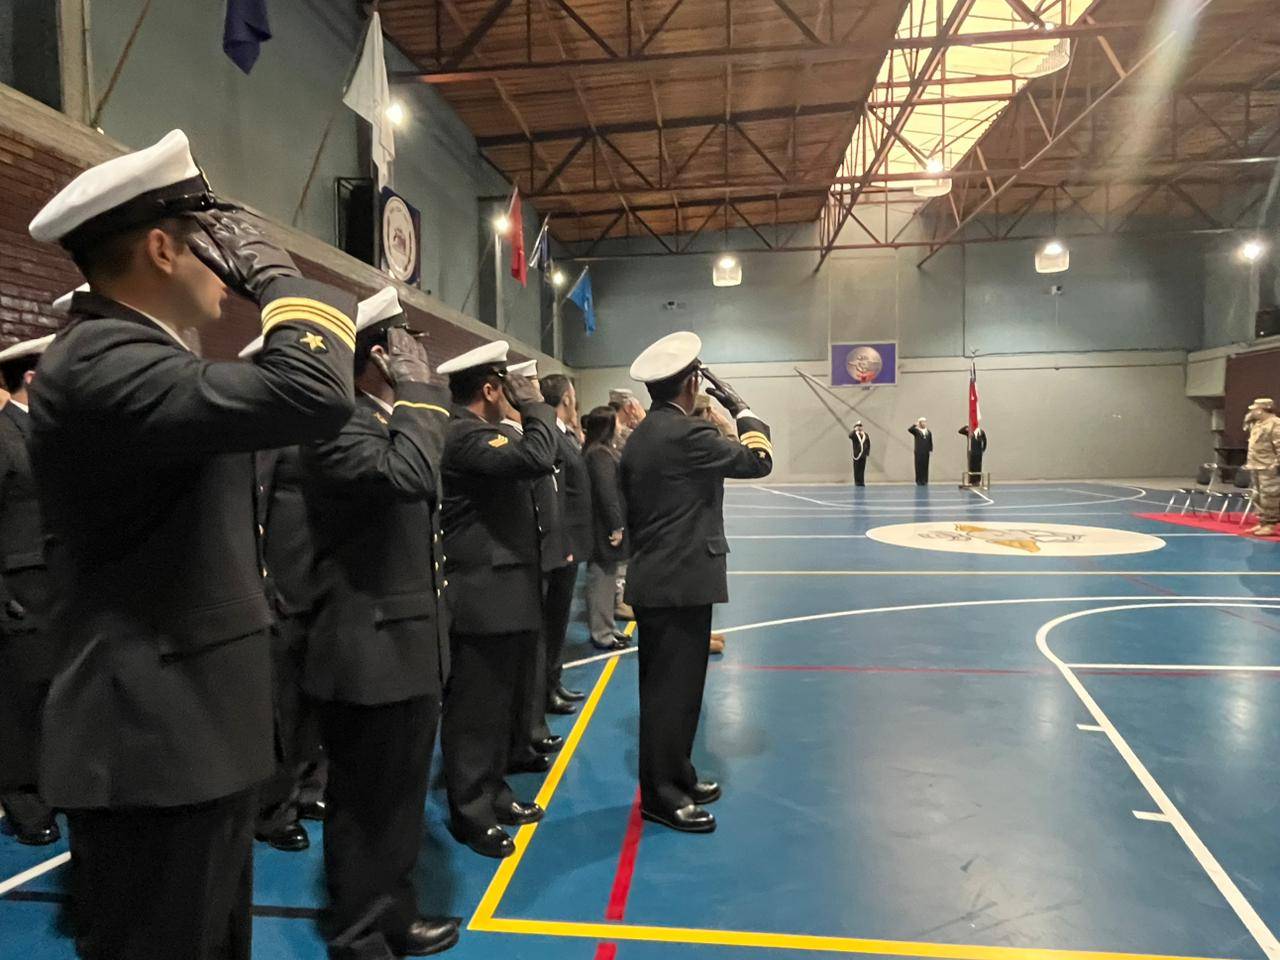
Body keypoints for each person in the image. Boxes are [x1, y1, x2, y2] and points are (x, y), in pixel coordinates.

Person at [27, 129, 357, 960]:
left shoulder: (142, 354)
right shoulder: (99, 361)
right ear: (163, 248)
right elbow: (314, 392)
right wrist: (280, 278)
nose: (229, 269)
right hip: (149, 745)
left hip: (192, 734)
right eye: (215, 245)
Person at [294, 286, 458, 957]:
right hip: (368, 650)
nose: (421, 354)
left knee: (398, 799)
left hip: (405, 644)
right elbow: (410, 473)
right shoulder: (337, 423)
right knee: (365, 804)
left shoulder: (389, 421)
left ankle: (393, 911)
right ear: (380, 355)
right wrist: (419, 393)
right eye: (407, 342)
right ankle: (359, 932)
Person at [621, 332, 773, 833]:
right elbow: (759, 461)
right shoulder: (686, 435)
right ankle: (661, 796)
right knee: (671, 695)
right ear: (692, 383)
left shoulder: (647, 433)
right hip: (677, 580)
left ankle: (677, 774)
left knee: (677, 692)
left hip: (665, 576)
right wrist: (742, 409)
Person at [438, 342, 557, 859]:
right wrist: (536, 406)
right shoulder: (464, 435)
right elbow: (539, 456)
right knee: (474, 710)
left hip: (505, 592)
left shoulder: (485, 434)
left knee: (500, 707)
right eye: (508, 386)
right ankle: (470, 811)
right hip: (481, 594)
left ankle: (495, 792)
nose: (516, 394)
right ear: (491, 389)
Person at [0, 335, 59, 847]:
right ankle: (23, 799)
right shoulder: (4, 435)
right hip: (19, 590)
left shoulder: (53, 435)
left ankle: (52, 786)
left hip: (59, 587)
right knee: (21, 698)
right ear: (34, 380)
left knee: (52, 692)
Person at [496, 360, 566, 779]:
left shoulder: (525, 439)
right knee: (520, 661)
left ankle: (528, 732)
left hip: (537, 557)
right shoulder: (506, 441)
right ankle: (521, 736)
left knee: (532, 654)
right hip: (517, 564)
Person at [540, 372, 592, 708]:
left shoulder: (564, 434)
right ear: (567, 399)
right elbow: (556, 498)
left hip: (570, 542)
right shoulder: (552, 437)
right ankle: (546, 688)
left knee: (559, 621)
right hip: (562, 544)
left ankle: (554, 681)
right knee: (552, 620)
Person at [582, 406, 630, 651]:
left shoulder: (600, 451)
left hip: (603, 525)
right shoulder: (599, 454)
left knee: (609, 580)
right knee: (602, 579)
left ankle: (608, 628)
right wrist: (616, 525)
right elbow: (606, 492)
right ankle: (602, 633)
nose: (620, 426)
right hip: (602, 527)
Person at [1245, 397, 1279, 537]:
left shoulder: (1275, 424)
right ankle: (1263, 521)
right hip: (1256, 465)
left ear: (1261, 410)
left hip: (1268, 466)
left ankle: (1270, 524)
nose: (1252, 412)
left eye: (1255, 409)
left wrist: (1276, 464)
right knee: (1258, 496)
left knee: (1270, 496)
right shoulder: (1258, 424)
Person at [908, 417, 932, 485]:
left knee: (925, 466)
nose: (924, 423)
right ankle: (919, 480)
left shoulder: (928, 432)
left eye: (925, 422)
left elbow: (930, 441)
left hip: (926, 452)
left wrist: (930, 449)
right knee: (918, 466)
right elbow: (910, 429)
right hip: (918, 451)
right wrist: (915, 425)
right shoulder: (916, 431)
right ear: (920, 423)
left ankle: (925, 480)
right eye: (922, 422)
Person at [848, 421, 870, 487]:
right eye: (858, 426)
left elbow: (868, 443)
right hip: (857, 455)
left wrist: (867, 452)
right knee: (856, 468)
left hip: (863, 455)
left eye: (860, 426)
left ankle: (861, 482)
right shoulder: (854, 434)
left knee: (862, 469)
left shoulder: (865, 434)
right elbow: (850, 435)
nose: (859, 427)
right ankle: (857, 482)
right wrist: (855, 430)